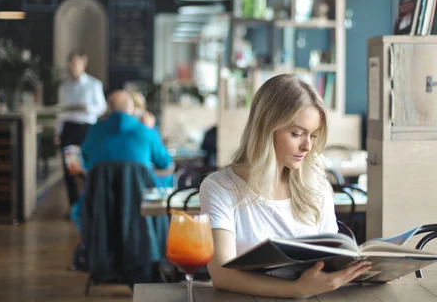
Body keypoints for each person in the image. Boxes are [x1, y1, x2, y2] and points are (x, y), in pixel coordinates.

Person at [199, 74, 371, 299]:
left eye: (313, 135)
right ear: (266, 129)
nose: (307, 146)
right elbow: (222, 275)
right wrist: (296, 290)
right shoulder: (220, 188)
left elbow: (330, 261)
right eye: (297, 134)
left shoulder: (317, 185)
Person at [69, 90, 174, 235]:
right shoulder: (144, 131)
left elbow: (86, 161)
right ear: (132, 109)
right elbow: (164, 162)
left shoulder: (94, 131)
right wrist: (151, 130)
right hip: (140, 203)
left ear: (109, 108)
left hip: (101, 201)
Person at [57, 51, 107, 210]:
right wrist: (57, 132)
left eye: (76, 63)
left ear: (83, 64)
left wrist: (88, 108)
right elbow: (60, 112)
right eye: (71, 64)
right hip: (69, 128)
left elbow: (102, 108)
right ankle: (74, 207)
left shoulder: (94, 85)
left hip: (86, 128)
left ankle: (90, 205)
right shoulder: (64, 86)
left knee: (87, 168)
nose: (73, 67)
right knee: (69, 169)